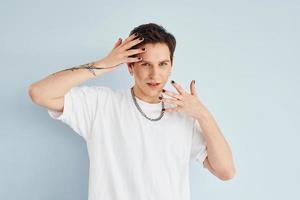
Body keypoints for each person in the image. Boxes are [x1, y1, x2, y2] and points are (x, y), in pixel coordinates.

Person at [28, 23, 236, 200]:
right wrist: (104, 65)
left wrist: (203, 115)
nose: (155, 74)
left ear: (171, 65)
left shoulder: (185, 114)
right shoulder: (101, 104)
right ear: (130, 66)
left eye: (162, 64)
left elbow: (226, 171)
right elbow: (39, 93)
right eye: (145, 64)